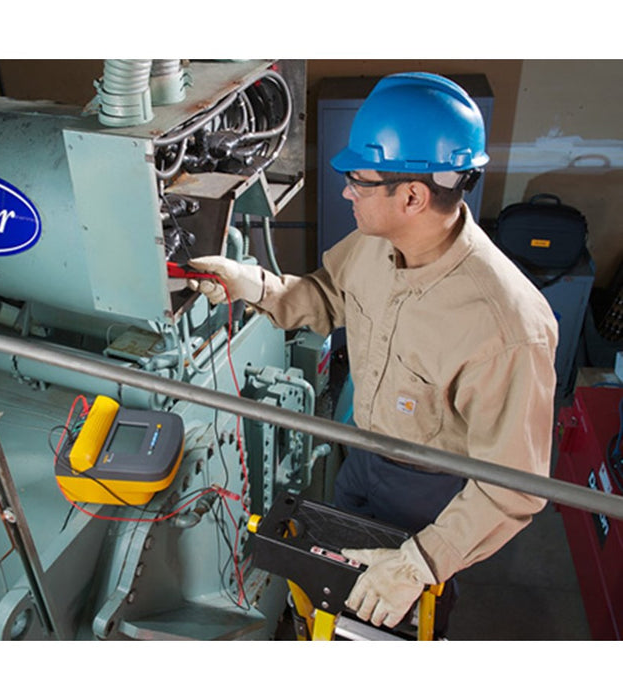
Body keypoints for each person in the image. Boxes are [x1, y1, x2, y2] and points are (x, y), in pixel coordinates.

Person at [189, 72, 559, 633]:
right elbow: (325, 296)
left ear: (411, 196)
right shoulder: (374, 244)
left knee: (391, 622)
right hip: (361, 456)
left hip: (430, 495)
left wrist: (420, 562)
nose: (346, 192)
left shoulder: (508, 326)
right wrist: (253, 285)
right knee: (335, 595)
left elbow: (515, 484)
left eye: (358, 181)